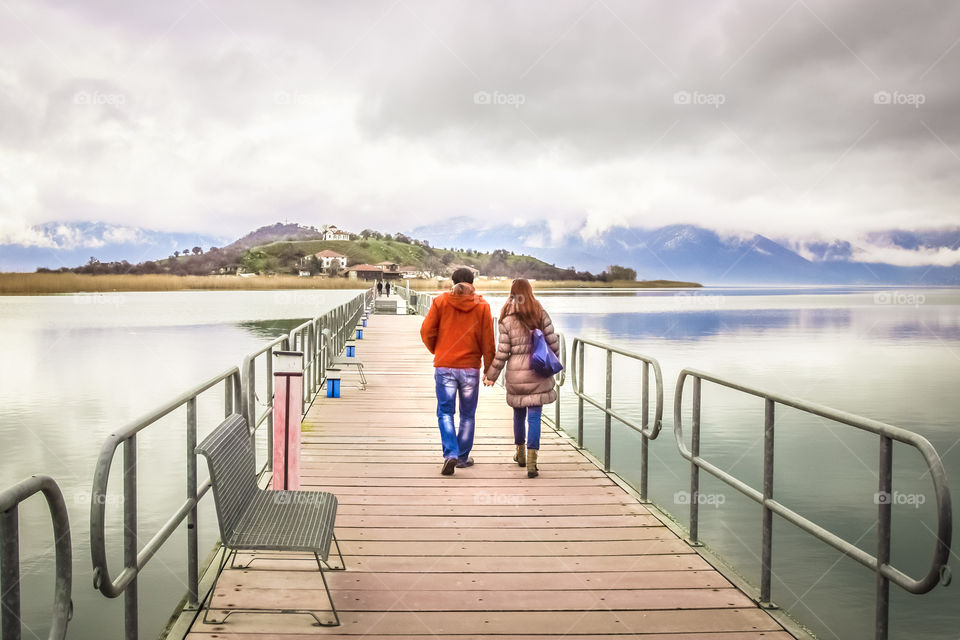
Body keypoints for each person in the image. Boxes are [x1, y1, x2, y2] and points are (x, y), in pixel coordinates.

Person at [420, 268, 495, 475]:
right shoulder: (482, 305)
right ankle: (462, 458)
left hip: (445, 366)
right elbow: (488, 340)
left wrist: (438, 350)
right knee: (468, 415)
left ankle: (450, 453)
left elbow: (426, 331)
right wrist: (489, 369)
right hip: (470, 368)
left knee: (445, 412)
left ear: (452, 282)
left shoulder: (441, 301)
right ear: (473, 282)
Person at [483, 278, 559, 478]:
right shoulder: (540, 313)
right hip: (538, 371)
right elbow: (553, 343)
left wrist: (491, 375)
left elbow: (502, 352)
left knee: (518, 415)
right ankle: (533, 462)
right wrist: (551, 362)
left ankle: (520, 454)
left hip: (516, 374)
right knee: (534, 416)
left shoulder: (506, 319)